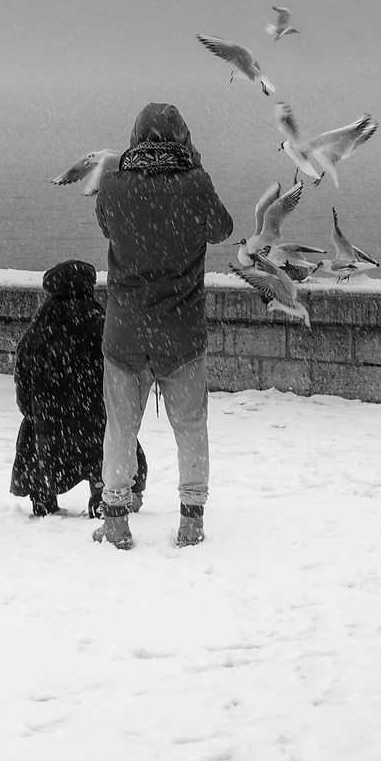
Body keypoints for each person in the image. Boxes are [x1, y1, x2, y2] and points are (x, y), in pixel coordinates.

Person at [90, 102, 235, 550]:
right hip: (182, 333)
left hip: (125, 333)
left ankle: (115, 518)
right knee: (190, 425)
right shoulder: (196, 185)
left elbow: (105, 226)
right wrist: (197, 171)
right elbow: (223, 229)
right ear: (183, 137)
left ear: (136, 136)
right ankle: (191, 519)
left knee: (120, 427)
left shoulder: (113, 187)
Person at [7, 258, 146, 518]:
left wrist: (37, 411)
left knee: (32, 432)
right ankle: (101, 491)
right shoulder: (104, 325)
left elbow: (24, 394)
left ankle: (43, 496)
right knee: (110, 437)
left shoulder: (37, 333)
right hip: (97, 424)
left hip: (51, 430)